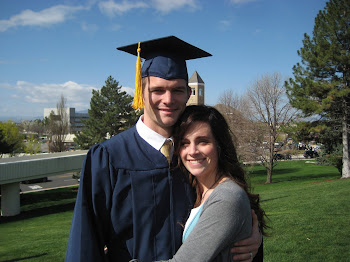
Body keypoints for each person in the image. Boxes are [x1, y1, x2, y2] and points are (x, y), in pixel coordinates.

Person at [65, 36, 262, 262]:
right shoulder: (108, 158)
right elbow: (85, 243)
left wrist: (251, 238)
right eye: (158, 90)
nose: (168, 99)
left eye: (177, 90)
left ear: (188, 94)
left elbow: (227, 209)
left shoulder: (194, 157)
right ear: (141, 93)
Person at [145, 105, 267, 261]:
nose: (192, 151)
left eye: (203, 141)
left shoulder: (226, 198)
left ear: (219, 145)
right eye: (184, 143)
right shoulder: (196, 190)